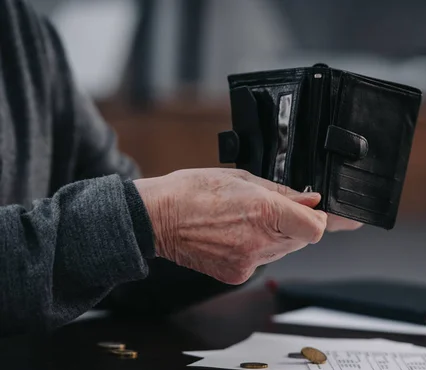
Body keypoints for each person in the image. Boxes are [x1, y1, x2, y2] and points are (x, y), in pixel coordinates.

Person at [0, 0, 362, 337]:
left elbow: (117, 269)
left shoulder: (24, 32)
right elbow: (125, 225)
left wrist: (258, 216)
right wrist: (154, 219)